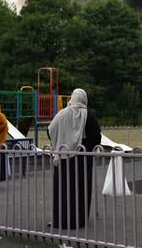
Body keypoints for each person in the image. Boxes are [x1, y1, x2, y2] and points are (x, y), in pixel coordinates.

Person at [47, 88, 101, 229]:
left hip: (63, 157)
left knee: (62, 189)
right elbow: (96, 136)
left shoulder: (62, 114)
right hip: (82, 159)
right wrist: (88, 146)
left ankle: (60, 220)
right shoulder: (88, 115)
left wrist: (58, 143)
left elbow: (50, 129)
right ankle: (79, 220)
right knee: (80, 189)